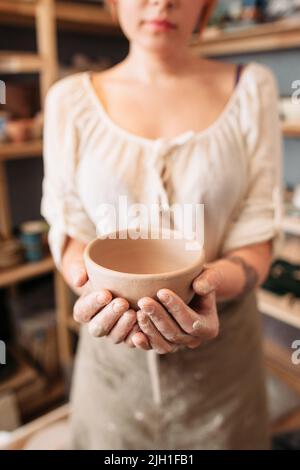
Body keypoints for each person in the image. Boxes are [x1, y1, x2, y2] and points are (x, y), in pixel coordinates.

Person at [41, 0, 283, 450]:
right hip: (112, 368)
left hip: (224, 367)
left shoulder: (252, 88)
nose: (162, 1)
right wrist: (91, 291)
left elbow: (258, 236)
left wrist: (205, 287)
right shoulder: (68, 101)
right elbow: (70, 228)